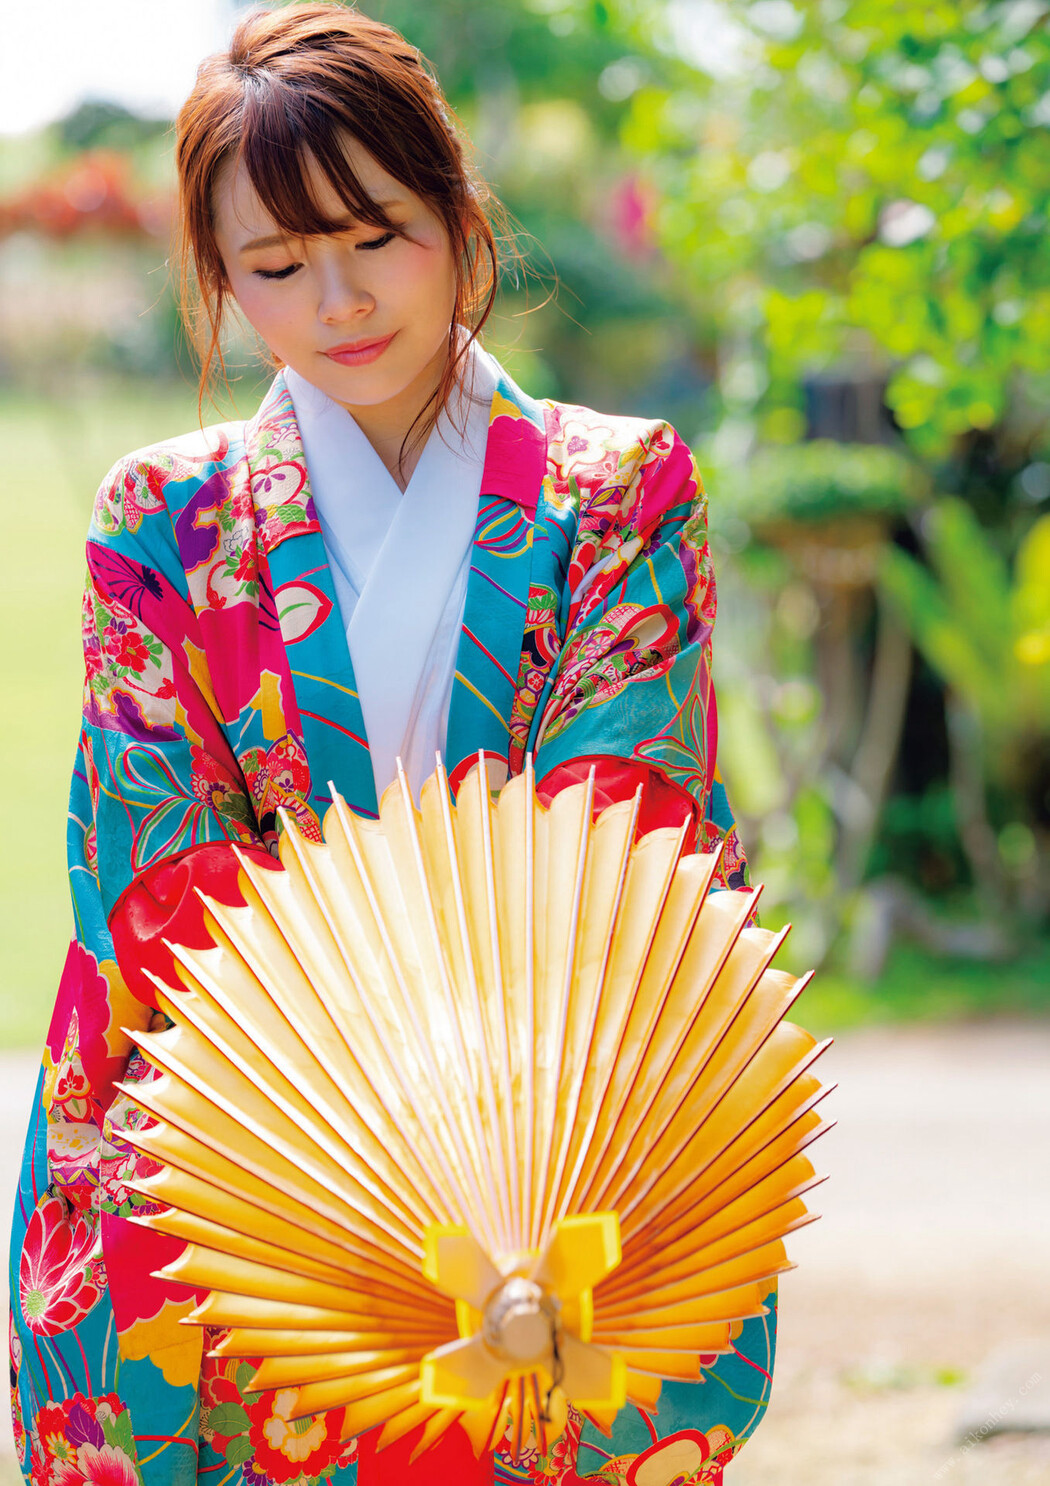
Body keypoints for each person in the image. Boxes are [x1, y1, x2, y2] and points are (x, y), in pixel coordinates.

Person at [8, 5, 775, 1483]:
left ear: (456, 213)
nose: (338, 299)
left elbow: (629, 822)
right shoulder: (162, 521)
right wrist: (346, 1091)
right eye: (277, 266)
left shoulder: (614, 491)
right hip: (247, 1132)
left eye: (376, 234)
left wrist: (473, 1100)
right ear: (220, 280)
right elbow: (150, 863)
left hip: (550, 1118)